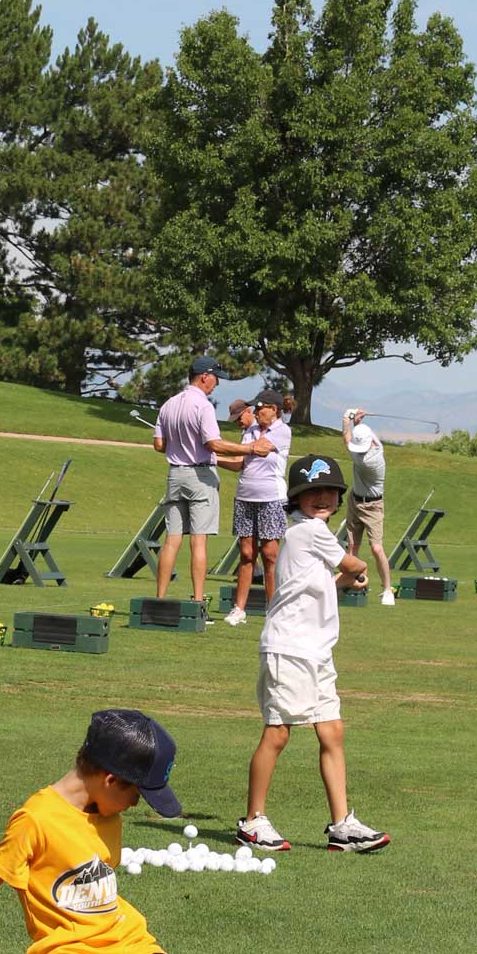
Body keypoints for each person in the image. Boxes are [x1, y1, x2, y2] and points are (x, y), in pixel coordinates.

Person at [0, 708, 204, 954]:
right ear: (111, 779)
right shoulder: (36, 819)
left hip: (127, 942)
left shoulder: (109, 814)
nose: (135, 804)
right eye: (136, 794)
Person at [237, 453, 390, 854]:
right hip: (289, 648)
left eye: (328, 491)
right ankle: (253, 821)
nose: (321, 498)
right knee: (278, 732)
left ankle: (342, 826)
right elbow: (354, 562)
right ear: (297, 499)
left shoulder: (311, 537)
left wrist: (343, 580)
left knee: (331, 731)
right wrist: (357, 571)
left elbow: (316, 583)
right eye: (311, 492)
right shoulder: (308, 531)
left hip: (316, 652)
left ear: (338, 496)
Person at [151, 356, 263, 604]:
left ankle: (159, 599)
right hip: (200, 475)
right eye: (215, 378)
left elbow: (159, 445)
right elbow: (213, 443)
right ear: (204, 377)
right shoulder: (203, 406)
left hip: (175, 474)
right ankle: (198, 602)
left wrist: (179, 444)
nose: (217, 384)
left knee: (172, 540)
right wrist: (251, 449)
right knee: (198, 540)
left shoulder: (168, 404)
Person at [224, 391, 291, 626]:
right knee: (246, 554)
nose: (254, 412)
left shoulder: (283, 431)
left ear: (273, 409)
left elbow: (260, 449)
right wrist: (210, 457)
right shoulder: (249, 431)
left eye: (259, 408)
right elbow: (239, 462)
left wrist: (218, 447)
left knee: (270, 556)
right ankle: (239, 609)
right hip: (244, 497)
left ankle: (273, 609)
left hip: (271, 498)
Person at [342, 407, 395, 605]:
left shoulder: (370, 461)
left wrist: (347, 418)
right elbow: (357, 436)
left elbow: (346, 438)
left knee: (376, 548)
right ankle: (352, 584)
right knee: (352, 547)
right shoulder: (376, 443)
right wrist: (358, 422)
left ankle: (387, 589)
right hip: (355, 501)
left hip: (373, 507)